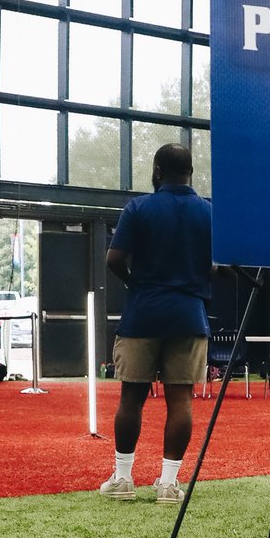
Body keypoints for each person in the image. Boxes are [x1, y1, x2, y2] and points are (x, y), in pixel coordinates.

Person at [98, 143, 214, 505]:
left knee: (132, 397)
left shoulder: (138, 208)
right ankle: (167, 484)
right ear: (191, 173)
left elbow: (114, 259)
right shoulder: (210, 212)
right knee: (181, 400)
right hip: (189, 315)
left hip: (143, 313)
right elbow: (221, 265)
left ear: (157, 171)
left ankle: (122, 479)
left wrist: (137, 284)